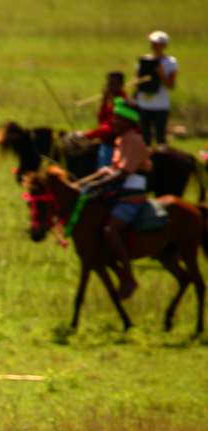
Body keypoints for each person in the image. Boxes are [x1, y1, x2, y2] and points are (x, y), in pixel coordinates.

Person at [76, 98, 152, 299]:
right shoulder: (122, 140)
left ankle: (128, 277)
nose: (114, 122)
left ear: (129, 122)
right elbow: (107, 170)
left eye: (119, 119)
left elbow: (122, 173)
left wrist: (97, 184)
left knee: (111, 229)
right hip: (118, 194)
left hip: (131, 197)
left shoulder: (134, 140)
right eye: (114, 118)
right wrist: (81, 183)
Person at [134, 30, 177, 146]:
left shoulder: (170, 62)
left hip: (160, 105)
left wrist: (161, 74)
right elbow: (136, 81)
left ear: (165, 45)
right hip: (144, 104)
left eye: (159, 44)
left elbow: (171, 85)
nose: (156, 46)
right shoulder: (143, 61)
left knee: (160, 138)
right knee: (144, 138)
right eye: (154, 43)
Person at [81, 72, 127, 168]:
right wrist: (104, 100)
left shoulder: (123, 103)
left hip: (115, 146)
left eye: (114, 84)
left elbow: (109, 127)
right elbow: (102, 121)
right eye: (109, 84)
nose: (110, 87)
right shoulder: (111, 101)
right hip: (106, 143)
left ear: (121, 85)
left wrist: (86, 135)